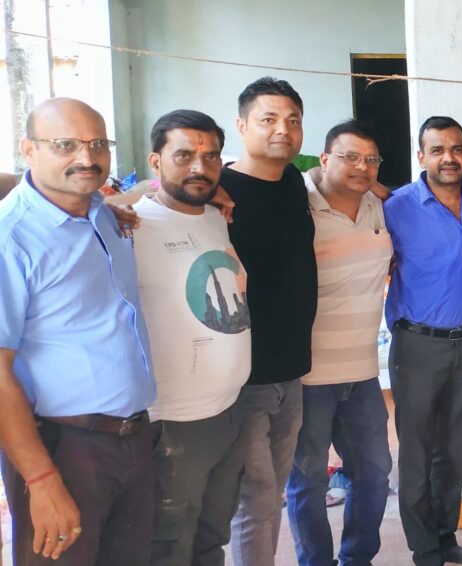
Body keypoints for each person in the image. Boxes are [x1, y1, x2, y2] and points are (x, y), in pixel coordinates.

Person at [0, 97, 156, 565]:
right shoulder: (11, 239)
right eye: (66, 145)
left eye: (98, 144)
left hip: (131, 438)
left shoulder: (101, 214)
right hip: (62, 449)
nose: (87, 158)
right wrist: (41, 480)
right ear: (29, 150)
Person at [132, 109, 251, 566]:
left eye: (211, 156)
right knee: (169, 545)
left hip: (229, 410)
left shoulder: (215, 217)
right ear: (155, 161)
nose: (200, 167)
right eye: (183, 155)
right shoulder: (131, 225)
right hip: (174, 421)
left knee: (212, 536)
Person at [286, 120, 393, 566]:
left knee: (375, 473)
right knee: (307, 481)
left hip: (362, 375)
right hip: (307, 376)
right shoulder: (295, 202)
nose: (361, 167)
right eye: (350, 157)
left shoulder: (378, 205)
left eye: (370, 159)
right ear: (325, 159)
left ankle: (356, 558)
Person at [221, 77, 318, 566]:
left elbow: (334, 171)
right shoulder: (218, 187)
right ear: (241, 126)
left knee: (270, 494)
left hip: (290, 371)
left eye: (292, 120)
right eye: (269, 119)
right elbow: (155, 196)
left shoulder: (295, 182)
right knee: (255, 500)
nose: (283, 129)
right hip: (243, 376)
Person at [385, 116, 462, 566]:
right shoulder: (395, 207)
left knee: (454, 451)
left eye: (457, 149)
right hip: (417, 346)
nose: (449, 158)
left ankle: (446, 537)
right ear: (421, 156)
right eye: (438, 150)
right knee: (417, 452)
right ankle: (424, 548)